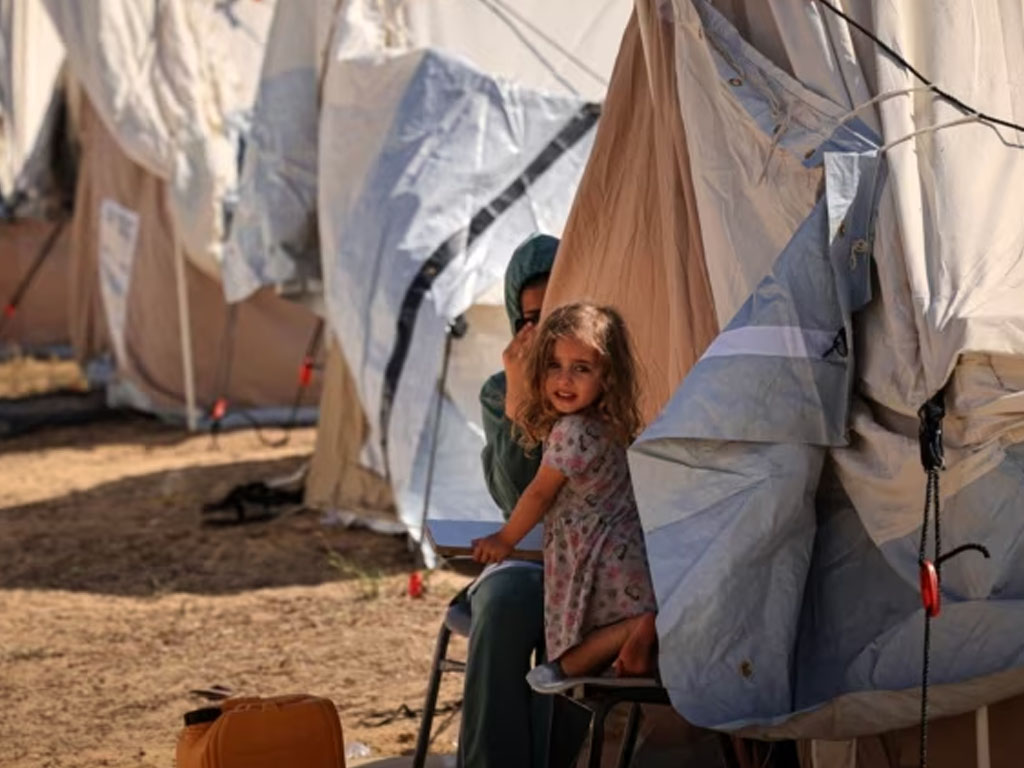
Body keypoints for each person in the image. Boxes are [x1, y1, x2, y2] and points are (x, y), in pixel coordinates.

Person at [472, 302, 658, 684]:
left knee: (577, 653)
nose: (564, 380)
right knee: (603, 648)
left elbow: (539, 493)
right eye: (554, 366)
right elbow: (527, 422)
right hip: (623, 553)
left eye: (581, 368)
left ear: (606, 376)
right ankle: (633, 635)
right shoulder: (606, 424)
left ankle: (580, 659)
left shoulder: (573, 431)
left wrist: (506, 538)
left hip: (600, 558)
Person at [457, 234, 558, 768]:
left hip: (605, 554)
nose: (542, 331)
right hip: (530, 554)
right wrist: (523, 400)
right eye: (530, 317)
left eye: (556, 313)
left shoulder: (608, 372)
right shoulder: (502, 388)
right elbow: (515, 496)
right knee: (504, 602)